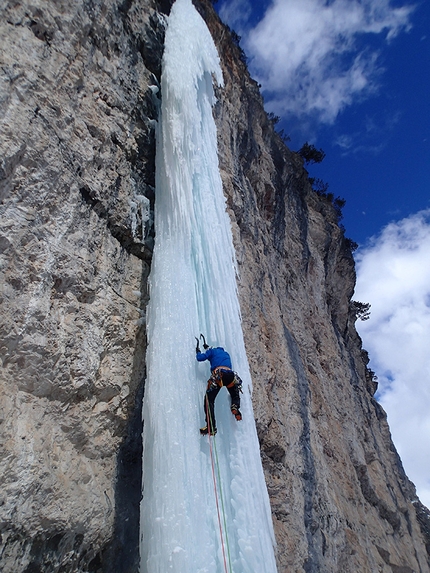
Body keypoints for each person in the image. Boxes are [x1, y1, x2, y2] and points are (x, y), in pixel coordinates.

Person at [195, 335, 242, 436]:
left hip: (219, 375)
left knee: (209, 400)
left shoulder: (212, 352)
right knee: (235, 393)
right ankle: (235, 405)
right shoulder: (226, 354)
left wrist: (198, 351)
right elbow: (217, 357)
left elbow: (200, 358)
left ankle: (211, 427)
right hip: (230, 376)